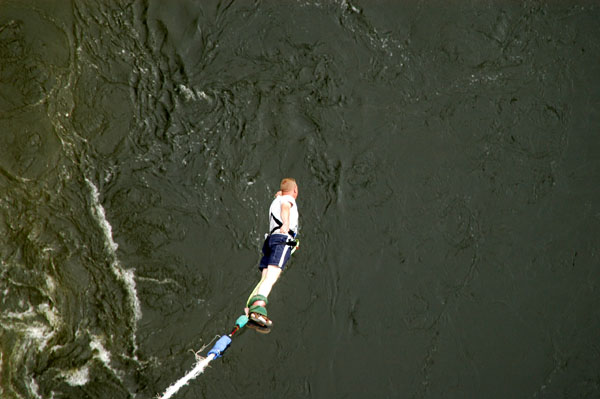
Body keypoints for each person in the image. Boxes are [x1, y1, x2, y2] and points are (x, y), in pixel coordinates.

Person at [245, 178, 299, 331]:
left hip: (271, 240)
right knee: (272, 277)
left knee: (265, 278)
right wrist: (286, 224)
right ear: (295, 191)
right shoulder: (287, 200)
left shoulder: (278, 199)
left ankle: (251, 311)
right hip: (282, 240)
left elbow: (280, 200)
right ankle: (258, 309)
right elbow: (285, 208)